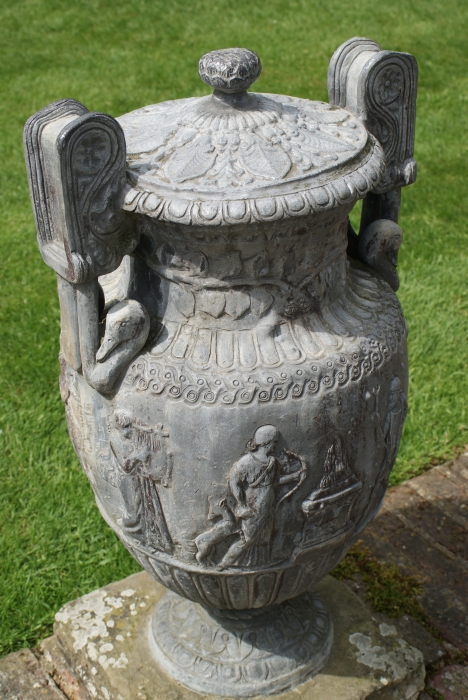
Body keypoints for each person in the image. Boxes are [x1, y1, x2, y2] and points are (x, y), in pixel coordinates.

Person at [195, 425, 305, 568]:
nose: (275, 445)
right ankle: (224, 564)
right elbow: (234, 482)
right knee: (247, 539)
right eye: (274, 442)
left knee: (264, 537)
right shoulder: (247, 461)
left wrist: (294, 476)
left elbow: (274, 482)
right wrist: (241, 505)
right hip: (253, 506)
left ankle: (258, 563)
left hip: (267, 506)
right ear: (266, 442)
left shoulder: (272, 461)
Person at [110, 409, 172, 553]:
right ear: (118, 427)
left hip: (141, 479)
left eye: (130, 427)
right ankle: (130, 530)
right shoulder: (115, 439)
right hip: (128, 481)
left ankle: (155, 541)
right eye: (125, 428)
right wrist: (139, 455)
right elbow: (125, 466)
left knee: (150, 510)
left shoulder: (132, 435)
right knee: (135, 514)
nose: (129, 431)